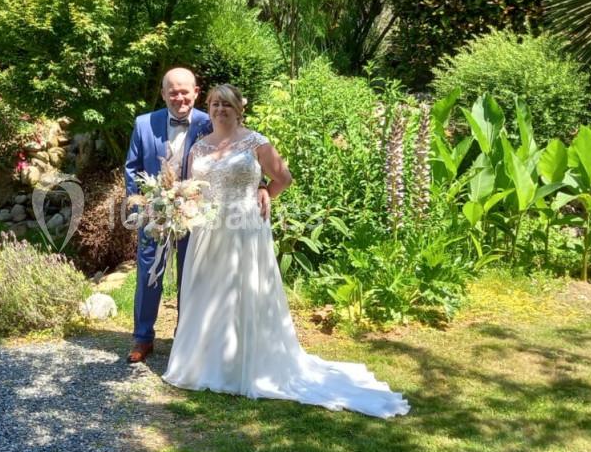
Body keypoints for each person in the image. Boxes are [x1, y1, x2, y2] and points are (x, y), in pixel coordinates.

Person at [162, 84, 410, 419]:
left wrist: (264, 190)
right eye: (215, 104)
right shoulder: (200, 148)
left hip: (245, 227)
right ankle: (208, 362)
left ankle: (243, 365)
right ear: (209, 107)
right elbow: (195, 189)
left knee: (243, 292)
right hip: (208, 230)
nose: (221, 109)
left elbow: (284, 177)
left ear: (239, 109)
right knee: (209, 292)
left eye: (227, 104)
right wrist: (178, 207)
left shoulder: (256, 141)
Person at [123, 67, 216, 363]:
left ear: (196, 92)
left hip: (194, 214)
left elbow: (231, 156)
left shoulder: (210, 122)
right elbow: (132, 168)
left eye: (184, 91)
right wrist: (144, 209)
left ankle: (185, 337)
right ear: (163, 94)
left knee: (190, 277)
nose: (179, 98)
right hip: (155, 214)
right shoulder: (143, 123)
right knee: (149, 274)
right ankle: (142, 338)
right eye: (172, 92)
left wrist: (261, 185)